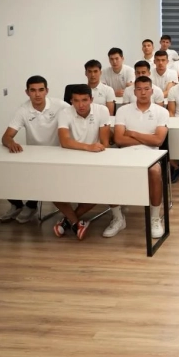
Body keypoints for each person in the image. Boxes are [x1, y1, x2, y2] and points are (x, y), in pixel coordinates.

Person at [0, 76, 70, 223]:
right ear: (27, 92)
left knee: (40, 175)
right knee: (5, 173)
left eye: (41, 90)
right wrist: (11, 143)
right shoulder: (23, 110)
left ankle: (31, 206)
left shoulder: (60, 105)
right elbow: (6, 137)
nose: (37, 94)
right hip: (34, 154)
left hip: (58, 154)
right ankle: (17, 205)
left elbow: (76, 116)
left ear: (46, 91)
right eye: (33, 90)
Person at [113, 76, 170, 239]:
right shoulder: (123, 111)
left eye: (146, 89)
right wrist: (147, 137)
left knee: (155, 171)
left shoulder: (161, 112)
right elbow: (119, 139)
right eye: (139, 89)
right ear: (134, 91)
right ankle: (117, 218)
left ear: (152, 91)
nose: (143, 92)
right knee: (110, 170)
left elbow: (158, 141)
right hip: (125, 151)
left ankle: (155, 218)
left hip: (151, 153)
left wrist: (132, 133)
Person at [53, 84, 111, 240]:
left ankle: (69, 220)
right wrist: (88, 147)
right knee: (52, 189)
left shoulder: (102, 111)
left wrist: (92, 150)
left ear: (91, 99)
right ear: (71, 101)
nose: (81, 105)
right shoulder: (65, 113)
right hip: (69, 159)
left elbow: (105, 143)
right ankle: (76, 222)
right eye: (76, 101)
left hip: (95, 159)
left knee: (99, 192)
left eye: (85, 100)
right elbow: (64, 141)